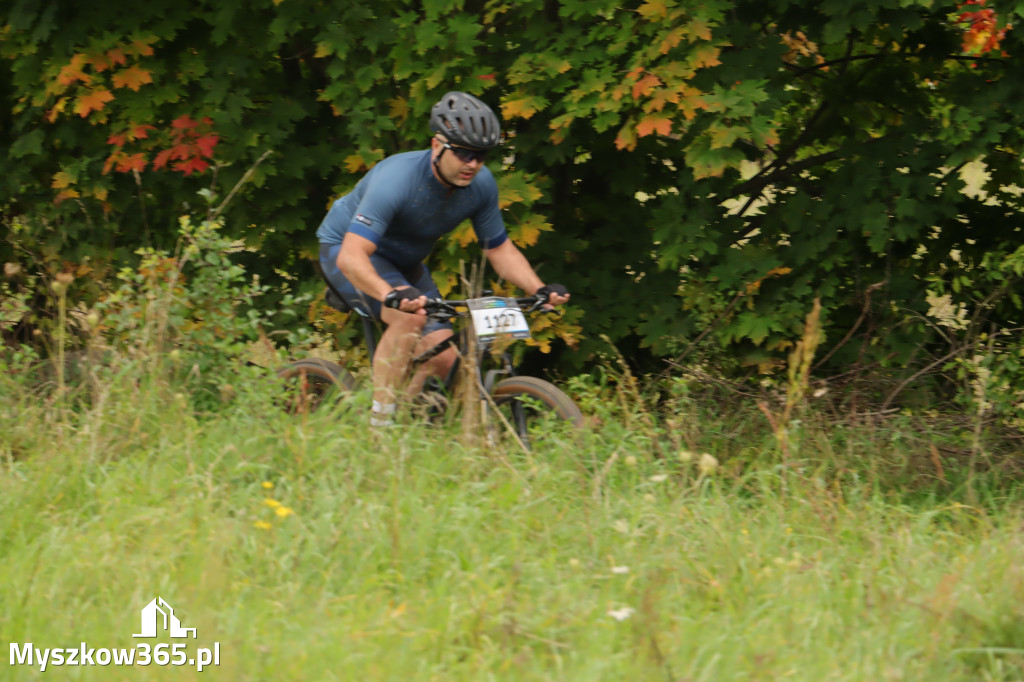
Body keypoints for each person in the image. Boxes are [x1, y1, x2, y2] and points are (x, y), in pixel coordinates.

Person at [316, 91, 570, 426]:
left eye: (480, 155)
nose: (473, 164)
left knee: (447, 362)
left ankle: (407, 422)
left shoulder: (481, 186)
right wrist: (390, 295)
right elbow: (352, 256)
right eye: (463, 152)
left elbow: (499, 249)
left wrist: (538, 288)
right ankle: (379, 428)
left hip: (405, 265)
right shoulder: (397, 179)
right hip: (348, 252)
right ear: (437, 146)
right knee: (408, 320)